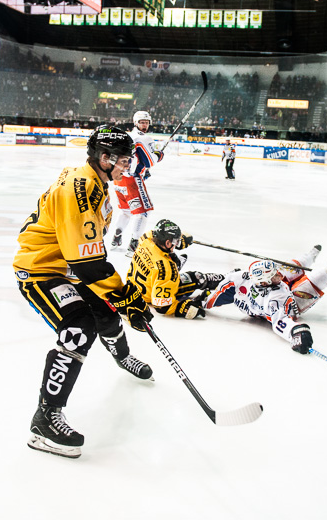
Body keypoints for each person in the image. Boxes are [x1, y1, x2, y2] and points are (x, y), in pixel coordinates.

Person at [14, 125, 155, 459]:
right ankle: (44, 419)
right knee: (78, 329)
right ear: (104, 158)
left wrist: (120, 302)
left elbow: (87, 255)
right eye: (122, 161)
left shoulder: (95, 181)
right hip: (40, 270)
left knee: (106, 315)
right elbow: (89, 263)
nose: (127, 168)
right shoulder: (80, 189)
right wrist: (129, 297)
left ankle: (122, 357)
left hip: (67, 265)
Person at [202, 240, 327, 354]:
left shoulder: (244, 276)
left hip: (268, 293)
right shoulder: (276, 299)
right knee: (320, 277)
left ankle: (310, 256)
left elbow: (217, 294)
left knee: (290, 267)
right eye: (274, 276)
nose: (278, 276)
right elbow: (280, 322)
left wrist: (201, 301)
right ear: (266, 282)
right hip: (293, 303)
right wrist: (296, 332)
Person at [126, 218, 224, 319]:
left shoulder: (145, 238)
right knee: (197, 277)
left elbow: (155, 233)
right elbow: (162, 306)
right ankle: (225, 280)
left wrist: (180, 240)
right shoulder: (167, 269)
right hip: (150, 295)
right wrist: (183, 308)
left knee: (170, 259)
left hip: (134, 287)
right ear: (167, 243)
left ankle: (175, 265)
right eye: (176, 242)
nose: (177, 244)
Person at [109, 111, 165, 256]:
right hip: (131, 180)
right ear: (136, 123)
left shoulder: (127, 136)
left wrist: (141, 170)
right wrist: (159, 155)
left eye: (146, 122)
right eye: (142, 122)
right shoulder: (144, 138)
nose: (144, 125)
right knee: (143, 213)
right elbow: (150, 161)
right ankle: (133, 245)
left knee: (126, 211)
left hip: (118, 178)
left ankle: (116, 239)